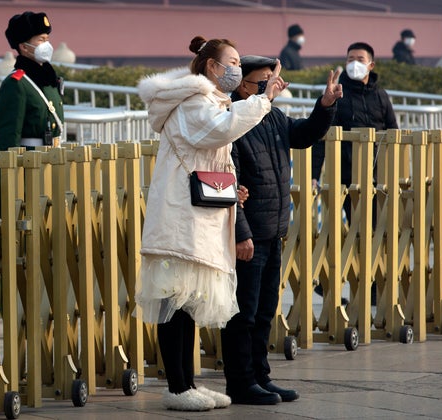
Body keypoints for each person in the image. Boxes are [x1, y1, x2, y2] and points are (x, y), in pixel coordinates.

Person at [136, 36, 284, 412]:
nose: (236, 68)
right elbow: (219, 130)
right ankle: (177, 387)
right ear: (211, 67)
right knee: (175, 301)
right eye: (231, 61)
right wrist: (263, 100)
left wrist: (233, 190)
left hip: (196, 216)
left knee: (187, 303)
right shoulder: (194, 102)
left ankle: (187, 384)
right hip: (179, 219)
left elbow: (212, 151)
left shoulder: (207, 101)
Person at [221, 55, 341, 405]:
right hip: (249, 232)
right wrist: (241, 232)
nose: (274, 84)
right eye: (264, 80)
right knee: (243, 312)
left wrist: (325, 106)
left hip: (273, 228)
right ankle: (240, 382)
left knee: (264, 309)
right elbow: (231, 184)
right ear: (243, 85)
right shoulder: (233, 121)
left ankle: (260, 376)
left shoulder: (270, 115)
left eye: (274, 79)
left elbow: (301, 135)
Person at [311, 42, 398, 304]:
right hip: (344, 179)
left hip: (376, 181)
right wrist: (315, 174)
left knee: (371, 232)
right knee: (338, 231)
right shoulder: (338, 94)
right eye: (350, 58)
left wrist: (392, 176)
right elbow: (320, 135)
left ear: (371, 64)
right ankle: (327, 281)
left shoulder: (381, 96)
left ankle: (370, 288)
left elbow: (393, 133)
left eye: (360, 58)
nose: (354, 63)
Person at [0, 11, 64, 151]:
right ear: (24, 47)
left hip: (54, 157)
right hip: (30, 161)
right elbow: (7, 135)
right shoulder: (16, 83)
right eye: (41, 40)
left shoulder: (49, 79)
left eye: (47, 39)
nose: (47, 45)